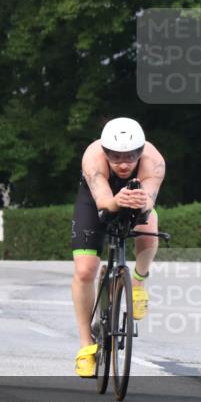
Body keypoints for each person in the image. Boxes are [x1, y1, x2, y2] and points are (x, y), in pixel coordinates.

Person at [71, 117, 166, 377]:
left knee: (149, 227)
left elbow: (147, 204)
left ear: (141, 152)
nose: (123, 164)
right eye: (115, 157)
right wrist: (116, 201)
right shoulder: (92, 158)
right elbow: (104, 202)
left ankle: (138, 282)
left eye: (130, 157)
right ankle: (86, 346)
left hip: (136, 199)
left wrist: (139, 202)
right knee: (85, 270)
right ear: (105, 151)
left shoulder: (154, 161)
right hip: (96, 201)